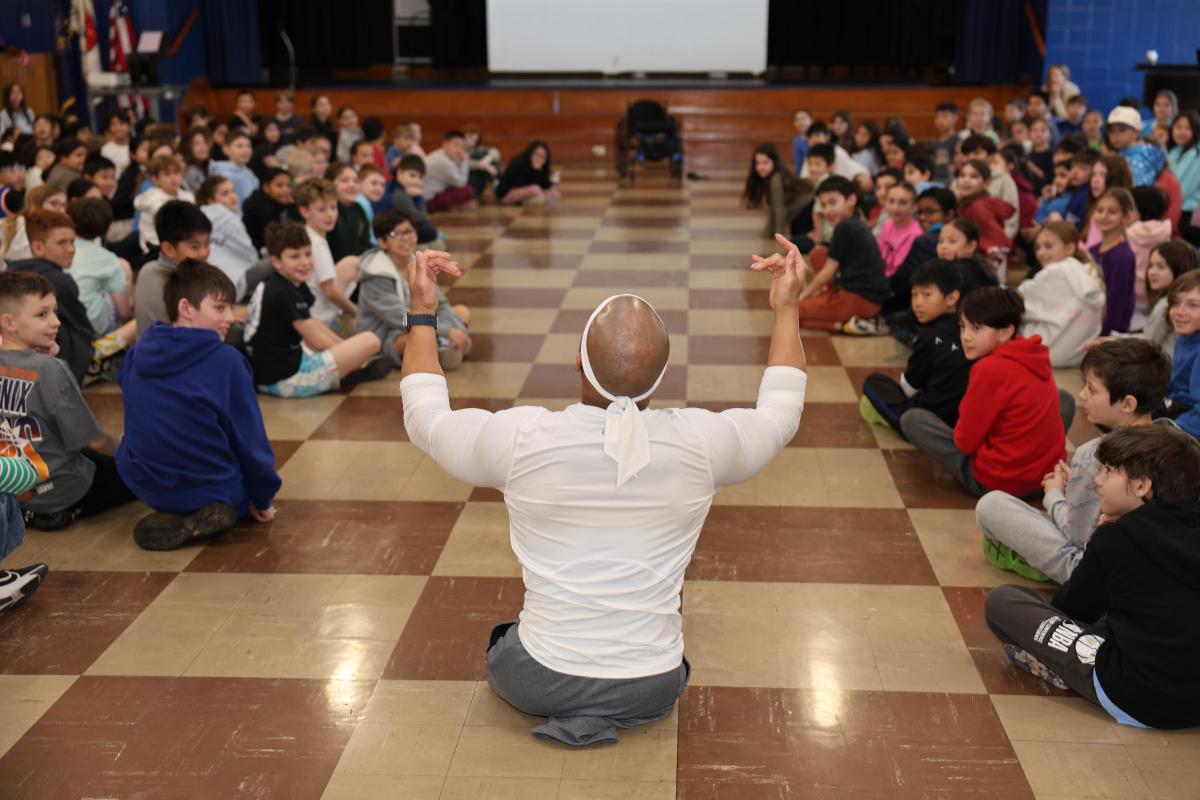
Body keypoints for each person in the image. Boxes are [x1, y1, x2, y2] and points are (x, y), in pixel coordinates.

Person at [398, 230, 807, 746]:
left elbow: (425, 418)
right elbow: (781, 413)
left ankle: (572, 713)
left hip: (536, 681)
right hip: (651, 686)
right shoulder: (704, 442)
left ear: (577, 362)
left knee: (503, 641)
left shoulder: (522, 437)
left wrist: (421, 309)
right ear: (662, 375)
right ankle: (604, 714)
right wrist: (787, 307)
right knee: (657, 660)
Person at [984, 424, 1200, 729]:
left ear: (1141, 486)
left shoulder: (1117, 538)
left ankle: (1057, 668)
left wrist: (1101, 539)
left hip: (1136, 698)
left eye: (1109, 471)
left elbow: (1069, 609)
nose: (1097, 481)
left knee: (1004, 601)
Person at [977, 339, 1171, 583]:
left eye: (1091, 389)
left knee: (991, 505)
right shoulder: (1178, 443)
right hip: (1165, 569)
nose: (1082, 394)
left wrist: (1054, 495)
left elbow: (1077, 536)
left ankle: (1054, 568)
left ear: (1128, 403)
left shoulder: (1095, 454)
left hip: (1100, 573)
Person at [117, 261, 279, 550]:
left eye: (231, 308)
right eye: (219, 308)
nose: (230, 317)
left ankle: (178, 509)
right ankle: (209, 511)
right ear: (186, 308)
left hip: (145, 484)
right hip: (210, 488)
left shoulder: (138, 352)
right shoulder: (227, 361)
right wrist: (262, 498)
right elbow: (249, 440)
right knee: (236, 475)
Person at [0, 271, 135, 531]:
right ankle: (61, 511)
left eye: (54, 311)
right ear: (9, 323)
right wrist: (128, 454)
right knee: (136, 469)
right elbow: (93, 439)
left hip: (12, 485)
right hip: (60, 489)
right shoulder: (51, 370)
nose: (56, 322)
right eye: (42, 314)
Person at [900, 286, 1065, 497]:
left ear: (1005, 332)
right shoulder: (1035, 354)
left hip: (998, 483)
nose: (966, 337)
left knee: (913, 419)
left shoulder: (988, 369)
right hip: (1047, 479)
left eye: (976, 328)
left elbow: (965, 443)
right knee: (1064, 400)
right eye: (962, 327)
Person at [243, 221, 385, 397]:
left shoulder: (284, 283)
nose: (305, 262)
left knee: (355, 344)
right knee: (371, 340)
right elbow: (318, 341)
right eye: (295, 257)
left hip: (268, 375)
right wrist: (353, 354)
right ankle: (348, 373)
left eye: (308, 254)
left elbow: (312, 322)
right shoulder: (283, 291)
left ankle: (345, 371)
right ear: (276, 262)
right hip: (285, 380)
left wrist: (346, 349)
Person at [861, 260, 970, 435]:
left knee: (873, 382)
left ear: (952, 298)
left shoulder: (928, 337)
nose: (918, 303)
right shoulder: (968, 328)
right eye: (914, 295)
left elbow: (909, 387)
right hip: (962, 418)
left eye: (927, 295)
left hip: (928, 420)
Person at [358, 210, 472, 371]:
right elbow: (397, 319)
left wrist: (455, 329)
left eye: (409, 231)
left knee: (462, 312)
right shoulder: (375, 274)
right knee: (449, 357)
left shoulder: (417, 262)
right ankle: (440, 344)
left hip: (418, 320)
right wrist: (446, 331)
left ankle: (441, 343)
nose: (405, 238)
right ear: (382, 242)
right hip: (388, 332)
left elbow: (441, 302)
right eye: (395, 233)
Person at [6, 209, 100, 384]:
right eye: (61, 243)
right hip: (55, 366)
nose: (71, 249)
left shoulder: (11, 271)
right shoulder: (59, 281)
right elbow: (84, 330)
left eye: (72, 242)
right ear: (38, 247)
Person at [795, 176, 889, 331]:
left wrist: (803, 296)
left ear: (851, 199)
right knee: (818, 254)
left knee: (793, 311)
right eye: (823, 205)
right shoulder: (854, 221)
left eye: (833, 203)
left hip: (860, 299)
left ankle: (846, 325)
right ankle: (841, 319)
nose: (827, 210)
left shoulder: (846, 227)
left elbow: (827, 272)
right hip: (865, 294)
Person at [1018, 221, 1105, 368]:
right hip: (1076, 356)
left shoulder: (1057, 271)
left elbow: (1018, 301)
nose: (1041, 253)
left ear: (1069, 248)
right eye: (1038, 247)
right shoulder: (1089, 271)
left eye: (1048, 246)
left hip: (1046, 353)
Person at [135, 201, 213, 336]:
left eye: (207, 244)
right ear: (169, 249)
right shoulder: (183, 284)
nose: (204, 253)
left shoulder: (147, 270)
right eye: (195, 247)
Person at [67, 198, 135, 346]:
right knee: (123, 267)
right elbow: (123, 312)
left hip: (65, 322)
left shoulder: (63, 249)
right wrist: (127, 320)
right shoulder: (108, 259)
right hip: (94, 329)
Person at [294, 177, 359, 328]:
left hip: (316, 307)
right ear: (305, 211)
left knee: (353, 262)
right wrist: (355, 311)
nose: (330, 214)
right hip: (322, 318)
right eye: (322, 209)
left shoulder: (310, 234)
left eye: (333, 207)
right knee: (373, 335)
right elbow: (330, 292)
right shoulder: (315, 243)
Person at [197, 176, 257, 300]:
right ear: (210, 201)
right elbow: (248, 253)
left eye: (233, 191)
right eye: (225, 194)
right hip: (234, 278)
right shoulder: (225, 216)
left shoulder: (201, 216)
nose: (233, 196)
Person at [1088, 188, 1138, 336]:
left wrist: (1107, 335)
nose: (1104, 216)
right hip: (1090, 324)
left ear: (1126, 217)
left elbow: (1117, 303)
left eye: (1112, 212)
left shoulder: (1122, 256)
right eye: (1100, 210)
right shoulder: (1093, 249)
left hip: (1110, 332)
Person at [955, 159, 1014, 282]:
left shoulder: (979, 207)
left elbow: (998, 243)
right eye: (962, 175)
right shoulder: (967, 203)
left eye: (974, 176)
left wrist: (985, 265)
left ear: (986, 182)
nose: (966, 180)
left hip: (984, 268)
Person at [1125, 186, 1174, 329]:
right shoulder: (1167, 233)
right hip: (1156, 297)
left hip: (1131, 297)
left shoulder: (1127, 233)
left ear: (1137, 210)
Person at [743, 143, 813, 239]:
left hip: (806, 211)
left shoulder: (776, 179)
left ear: (774, 162)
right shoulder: (770, 178)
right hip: (801, 212)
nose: (760, 167)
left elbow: (779, 209)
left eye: (765, 163)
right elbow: (773, 209)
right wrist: (768, 232)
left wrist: (779, 235)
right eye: (757, 163)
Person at [134, 154, 196, 254]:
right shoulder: (152, 200)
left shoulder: (187, 197)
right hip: (155, 246)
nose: (173, 178)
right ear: (156, 180)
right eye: (167, 174)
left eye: (176, 173)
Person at [1165, 270, 1200, 438]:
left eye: (1193, 305)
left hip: (1187, 422)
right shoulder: (1185, 337)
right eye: (1176, 302)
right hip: (1177, 405)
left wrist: (1169, 431)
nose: (1179, 312)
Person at [323, 162, 373, 262]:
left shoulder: (359, 209)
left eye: (356, 181)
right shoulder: (325, 211)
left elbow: (365, 243)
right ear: (329, 183)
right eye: (344, 180)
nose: (352, 185)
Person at [242, 167, 298, 254]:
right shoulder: (257, 206)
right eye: (279, 186)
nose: (285, 190)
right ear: (266, 187)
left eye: (288, 185)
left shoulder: (282, 203)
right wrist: (290, 206)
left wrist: (292, 205)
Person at [390, 154, 442, 246]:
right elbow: (421, 218)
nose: (416, 181)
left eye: (420, 178)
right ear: (399, 174)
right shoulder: (398, 194)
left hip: (396, 229)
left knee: (430, 231)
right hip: (391, 234)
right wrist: (419, 197)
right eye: (412, 175)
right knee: (429, 231)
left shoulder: (402, 190)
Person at [1106, 107, 1165, 188]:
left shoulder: (1138, 159)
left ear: (1136, 132)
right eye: (1112, 130)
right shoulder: (1124, 155)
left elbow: (1136, 192)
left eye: (1122, 130)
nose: (1116, 135)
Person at [1166, 109, 1200, 246]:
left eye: (1187, 128)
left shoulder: (1197, 154)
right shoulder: (1174, 151)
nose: (1182, 132)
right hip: (1174, 209)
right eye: (1178, 127)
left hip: (1188, 215)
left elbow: (1183, 190)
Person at [423, 130, 477, 213]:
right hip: (427, 202)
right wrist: (464, 161)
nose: (459, 150)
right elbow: (461, 183)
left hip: (429, 195)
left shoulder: (441, 154)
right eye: (456, 145)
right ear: (445, 144)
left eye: (462, 147)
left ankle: (457, 205)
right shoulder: (443, 161)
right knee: (469, 190)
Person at [496, 140, 559, 206]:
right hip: (506, 193)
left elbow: (544, 184)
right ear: (530, 153)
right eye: (537, 155)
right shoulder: (519, 162)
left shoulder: (542, 165)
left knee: (554, 193)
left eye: (543, 156)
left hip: (527, 192)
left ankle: (531, 200)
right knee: (536, 189)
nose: (539, 158)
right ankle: (529, 200)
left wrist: (552, 183)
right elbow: (520, 184)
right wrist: (535, 172)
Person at [209, 130, 259, 208]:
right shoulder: (223, 175)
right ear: (226, 149)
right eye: (239, 146)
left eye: (248, 146)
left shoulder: (248, 171)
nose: (245, 150)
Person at [355, 165, 390, 241]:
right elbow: (369, 238)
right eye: (374, 183)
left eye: (383, 185)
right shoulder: (361, 202)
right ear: (359, 183)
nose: (379, 189)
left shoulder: (363, 201)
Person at [790, 108, 812, 174]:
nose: (801, 123)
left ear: (811, 120)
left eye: (804, 119)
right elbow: (798, 165)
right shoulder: (796, 141)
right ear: (794, 124)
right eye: (798, 120)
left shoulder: (820, 137)